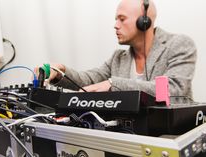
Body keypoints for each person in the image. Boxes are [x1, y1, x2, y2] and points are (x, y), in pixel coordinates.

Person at [43, 0, 197, 99]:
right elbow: (89, 80)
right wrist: (61, 73)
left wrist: (113, 84)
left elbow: (174, 89)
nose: (116, 25)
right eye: (116, 19)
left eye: (122, 19)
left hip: (170, 136)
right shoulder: (118, 57)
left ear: (144, 21)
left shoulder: (179, 44)